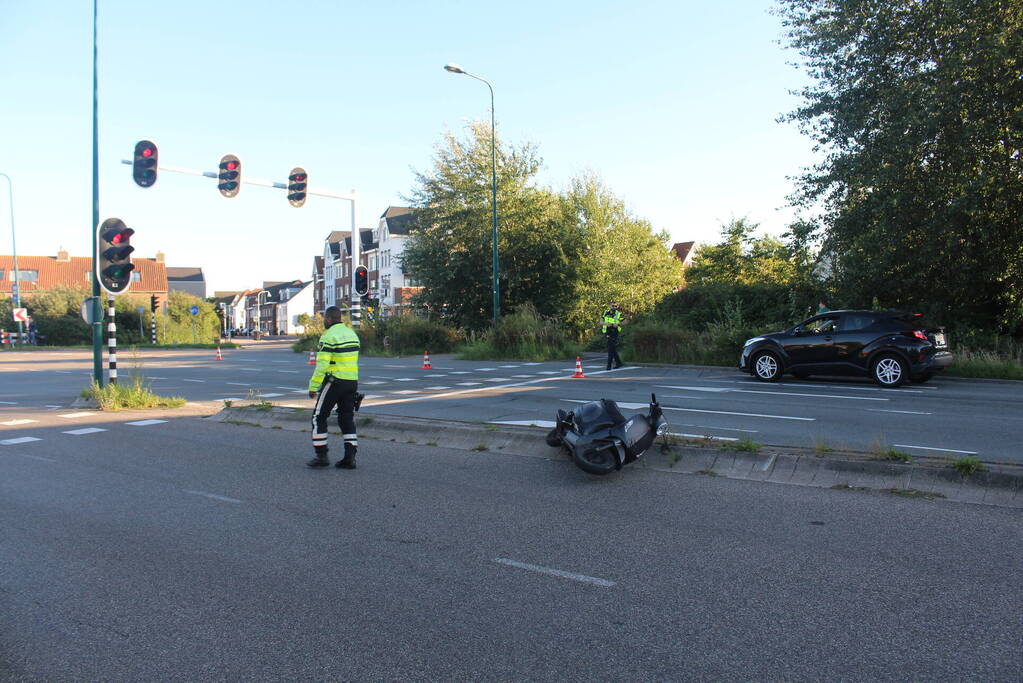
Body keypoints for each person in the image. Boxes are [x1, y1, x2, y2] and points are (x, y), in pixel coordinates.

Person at [307, 306, 361, 469]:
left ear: (329, 319)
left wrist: (314, 386)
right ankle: (350, 457)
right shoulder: (352, 334)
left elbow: (322, 365)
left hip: (334, 381)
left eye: (325, 318)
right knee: (346, 418)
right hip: (351, 382)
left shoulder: (329, 336)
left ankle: (321, 456)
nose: (324, 321)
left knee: (318, 417)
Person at [601, 301, 625, 370]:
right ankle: (619, 363)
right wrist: (606, 324)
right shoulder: (605, 312)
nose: (614, 307)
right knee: (612, 348)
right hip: (607, 332)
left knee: (610, 349)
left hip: (615, 332)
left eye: (615, 306)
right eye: (613, 306)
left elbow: (626, 321)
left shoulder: (619, 313)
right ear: (609, 306)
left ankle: (608, 366)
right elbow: (600, 321)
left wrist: (618, 324)